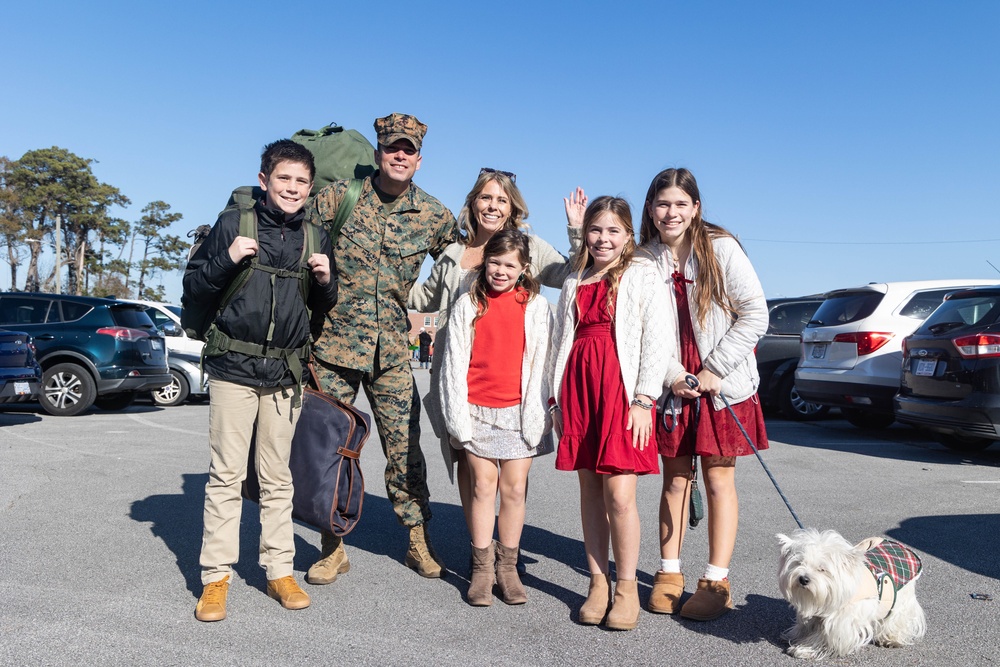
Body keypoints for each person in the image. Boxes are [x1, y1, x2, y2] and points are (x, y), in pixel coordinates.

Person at [184, 139, 337, 622]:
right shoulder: (236, 223)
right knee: (226, 476)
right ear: (265, 179)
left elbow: (322, 305)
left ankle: (279, 571)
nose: (291, 188)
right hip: (234, 369)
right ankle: (216, 580)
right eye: (283, 178)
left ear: (310, 188)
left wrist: (327, 280)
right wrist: (226, 257)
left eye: (300, 181)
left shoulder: (314, 235)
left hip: (285, 373)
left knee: (277, 478)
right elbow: (193, 285)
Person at [305, 113, 458, 582]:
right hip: (330, 345)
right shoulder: (336, 198)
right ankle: (332, 546)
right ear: (377, 153)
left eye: (408, 150)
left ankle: (416, 539)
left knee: (405, 448)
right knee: (329, 447)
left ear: (419, 159)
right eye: (393, 147)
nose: (400, 155)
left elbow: (463, 265)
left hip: (391, 349)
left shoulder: (434, 215)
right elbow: (297, 244)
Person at [408, 169, 584, 538]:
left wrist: (577, 232)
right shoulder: (455, 254)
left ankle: (504, 554)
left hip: (509, 381)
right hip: (459, 380)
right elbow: (420, 298)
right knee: (470, 473)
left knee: (511, 483)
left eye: (502, 200)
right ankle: (480, 553)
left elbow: (572, 272)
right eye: (486, 198)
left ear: (512, 207)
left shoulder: (529, 248)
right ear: (473, 203)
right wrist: (383, 269)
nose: (493, 206)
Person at [639, 167, 768, 621]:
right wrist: (673, 374)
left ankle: (716, 580)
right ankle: (669, 573)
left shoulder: (720, 249)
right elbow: (644, 331)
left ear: (695, 207)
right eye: (662, 204)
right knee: (674, 479)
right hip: (674, 387)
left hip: (721, 386)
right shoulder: (644, 258)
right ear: (651, 210)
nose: (670, 212)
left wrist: (714, 368)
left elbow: (755, 314)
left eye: (680, 204)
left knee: (717, 480)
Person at [547, 196, 673, 631]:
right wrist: (555, 399)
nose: (603, 238)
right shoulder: (575, 279)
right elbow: (559, 340)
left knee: (620, 495)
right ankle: (597, 583)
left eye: (612, 231)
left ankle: (625, 589)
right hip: (579, 389)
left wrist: (643, 400)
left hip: (621, 390)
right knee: (590, 492)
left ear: (628, 236)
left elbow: (658, 341)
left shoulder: (642, 274)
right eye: (595, 230)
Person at [439, 230, 553, 606]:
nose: (500, 271)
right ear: (484, 263)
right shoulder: (468, 304)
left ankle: (508, 567)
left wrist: (548, 408)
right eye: (494, 263)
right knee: (482, 487)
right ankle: (482, 569)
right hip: (477, 410)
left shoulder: (535, 306)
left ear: (523, 269)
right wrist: (458, 416)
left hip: (520, 412)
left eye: (509, 265)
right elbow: (453, 364)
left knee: (514, 489)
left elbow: (545, 363)